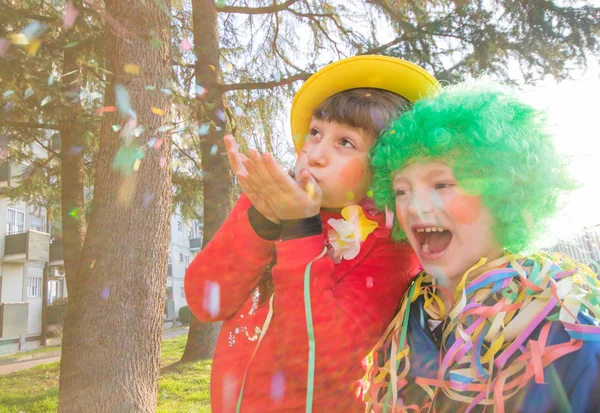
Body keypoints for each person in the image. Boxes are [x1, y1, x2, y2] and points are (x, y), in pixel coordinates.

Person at [184, 55, 440, 413]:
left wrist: (300, 230)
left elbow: (317, 364)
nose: (315, 154)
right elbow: (205, 302)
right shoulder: (265, 204)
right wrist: (262, 221)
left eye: (345, 143)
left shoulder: (391, 246)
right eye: (316, 132)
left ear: (386, 165)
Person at [367, 82, 600, 413]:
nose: (415, 207)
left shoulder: (566, 330)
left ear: (503, 194)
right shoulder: (403, 312)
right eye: (401, 190)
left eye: (442, 184)